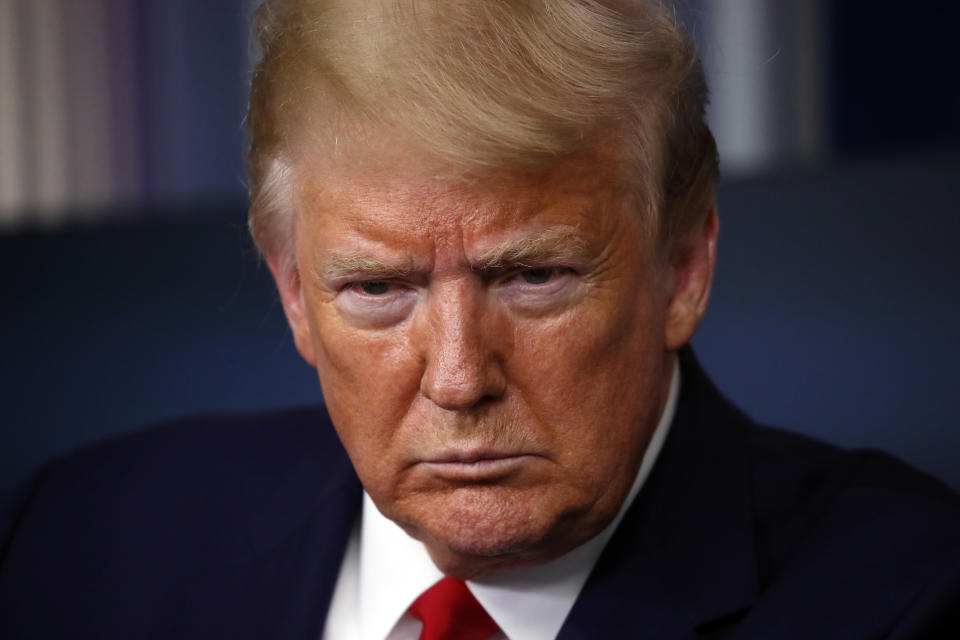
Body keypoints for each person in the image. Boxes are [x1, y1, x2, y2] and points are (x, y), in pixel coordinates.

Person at [2, 0, 959, 638]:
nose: (459, 379)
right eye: (377, 290)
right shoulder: (83, 539)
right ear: (293, 291)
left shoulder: (910, 599)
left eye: (534, 276)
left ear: (683, 268)